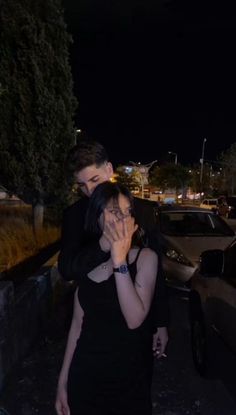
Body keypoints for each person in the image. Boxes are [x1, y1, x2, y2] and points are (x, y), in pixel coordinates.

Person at [58, 138, 169, 357]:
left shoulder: (143, 211)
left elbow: (157, 274)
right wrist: (103, 245)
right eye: (81, 185)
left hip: (135, 322)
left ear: (108, 169)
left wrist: (162, 322)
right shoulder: (74, 215)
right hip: (94, 321)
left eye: (94, 180)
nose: (89, 190)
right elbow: (67, 269)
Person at [55, 181, 158, 415]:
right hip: (84, 381)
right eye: (113, 211)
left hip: (128, 386)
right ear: (98, 217)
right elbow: (76, 327)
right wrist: (62, 382)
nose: (122, 218)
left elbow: (134, 319)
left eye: (127, 211)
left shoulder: (145, 258)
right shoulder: (88, 262)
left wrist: (119, 260)